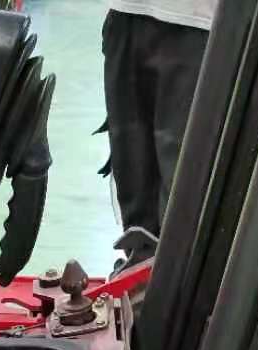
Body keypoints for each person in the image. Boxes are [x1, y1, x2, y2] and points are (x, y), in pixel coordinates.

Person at [101, 1, 218, 269]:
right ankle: (140, 272)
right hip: (127, 13)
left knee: (184, 179)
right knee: (132, 171)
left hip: (200, 25)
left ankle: (177, 280)